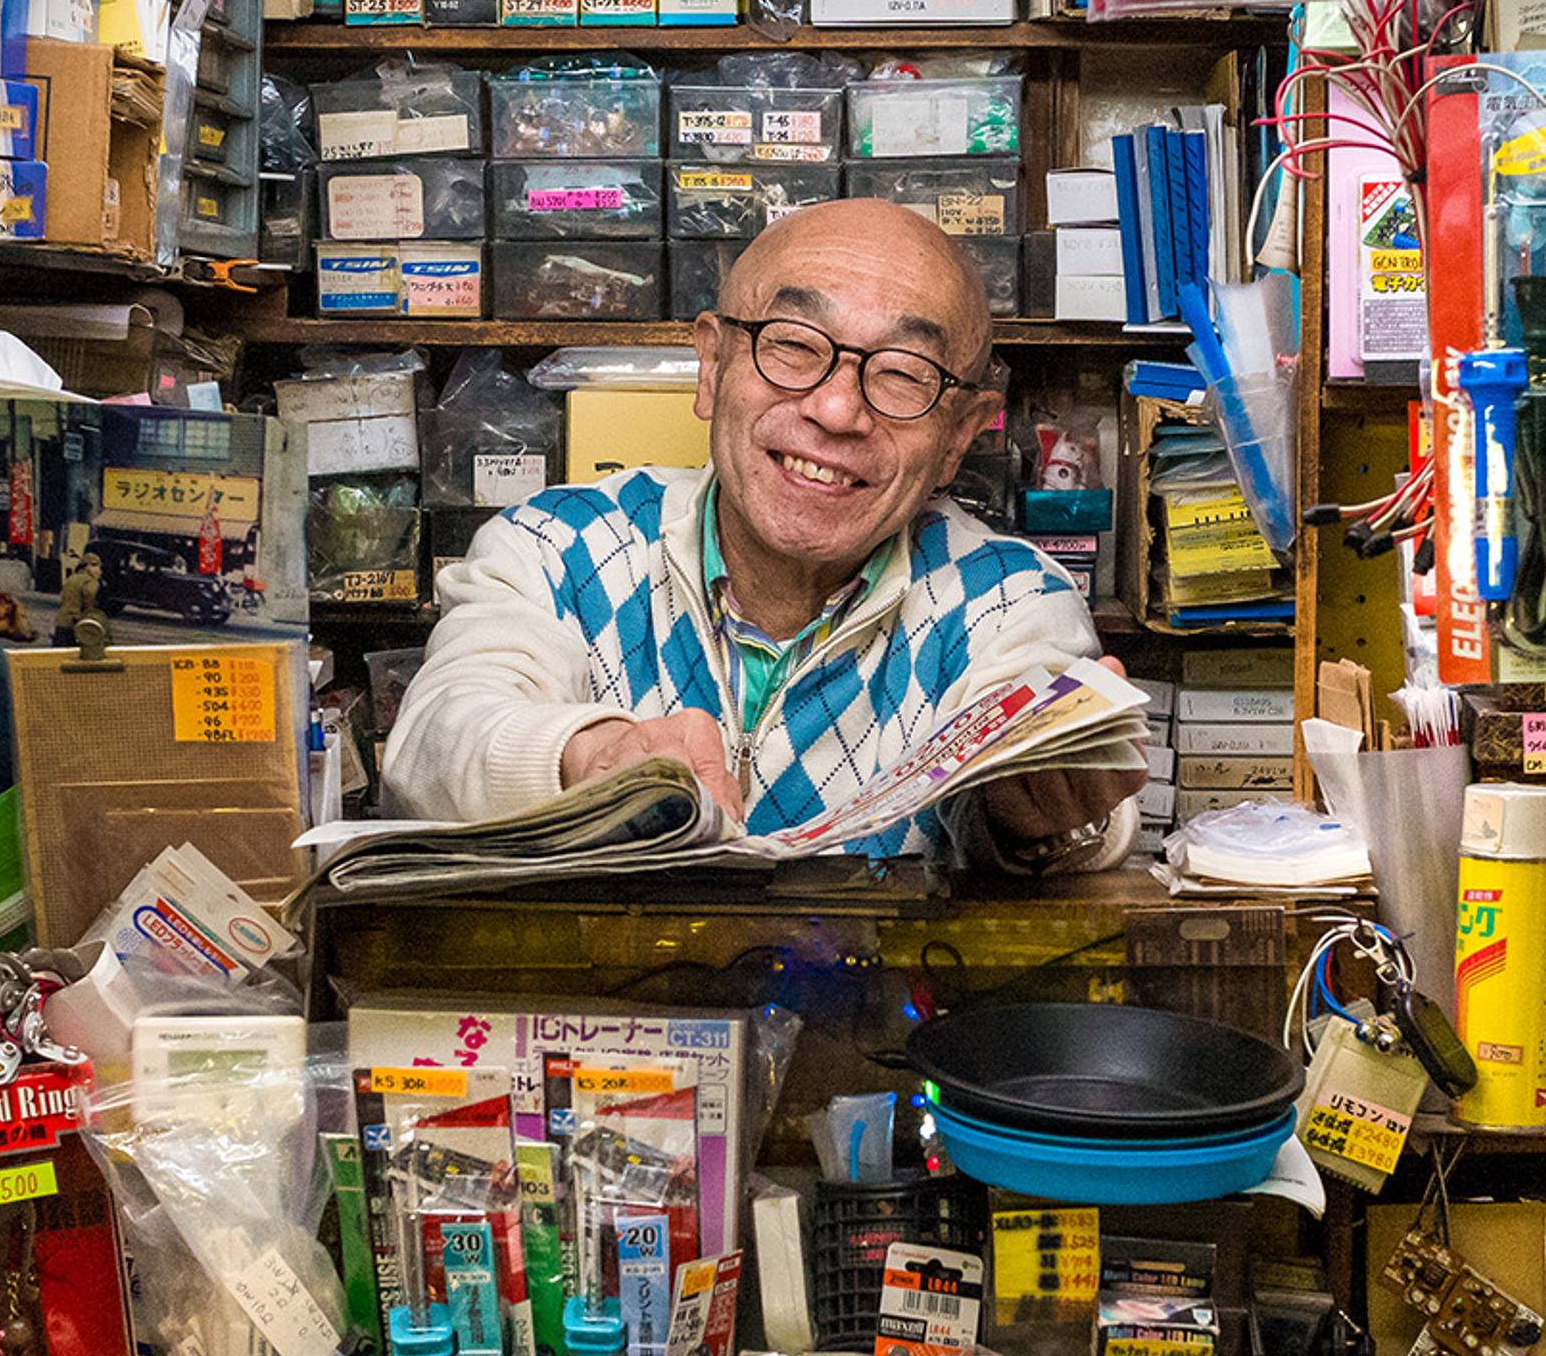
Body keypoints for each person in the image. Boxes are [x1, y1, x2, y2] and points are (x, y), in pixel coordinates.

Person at [384, 197, 1145, 871]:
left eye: (904, 372)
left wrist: (1035, 819)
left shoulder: (1008, 600)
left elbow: (1065, 781)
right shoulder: (558, 546)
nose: (838, 411)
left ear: (959, 435)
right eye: (793, 344)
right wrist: (589, 755)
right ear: (711, 364)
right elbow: (437, 739)